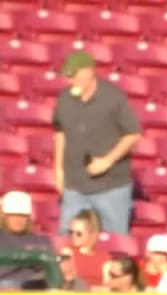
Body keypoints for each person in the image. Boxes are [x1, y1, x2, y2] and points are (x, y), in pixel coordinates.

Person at [52, 50, 142, 236]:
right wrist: (58, 169)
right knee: (67, 240)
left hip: (111, 187)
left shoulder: (113, 97)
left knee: (114, 242)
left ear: (89, 71)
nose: (70, 81)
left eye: (74, 75)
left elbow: (133, 134)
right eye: (67, 76)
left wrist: (107, 161)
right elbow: (60, 132)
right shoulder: (64, 99)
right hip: (74, 186)